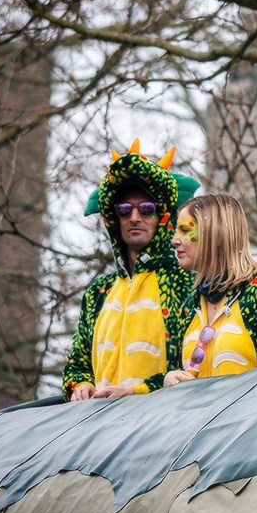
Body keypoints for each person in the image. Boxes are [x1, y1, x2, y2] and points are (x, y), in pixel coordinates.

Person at [63, 139, 200, 400]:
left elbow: (194, 365)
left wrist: (138, 390)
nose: (134, 217)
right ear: (114, 218)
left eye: (146, 209)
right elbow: (76, 363)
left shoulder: (186, 282)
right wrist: (80, 385)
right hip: (100, 429)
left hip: (161, 426)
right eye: (124, 210)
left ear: (162, 216)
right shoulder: (98, 292)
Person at [163, 193, 257, 385]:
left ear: (216, 235)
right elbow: (175, 370)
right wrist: (169, 378)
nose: (175, 240)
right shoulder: (189, 306)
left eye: (185, 230)